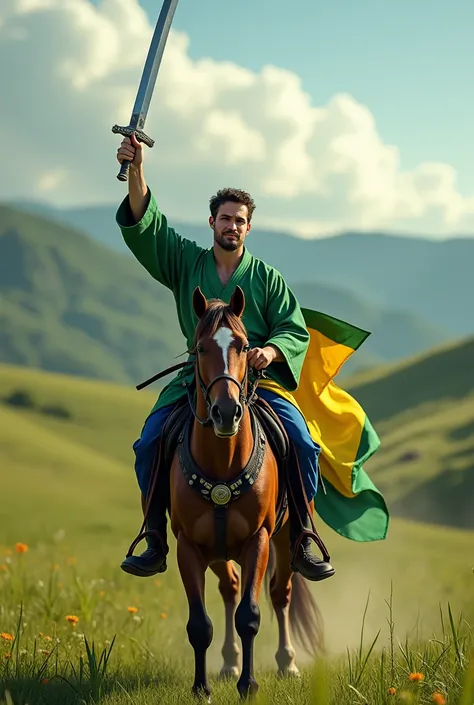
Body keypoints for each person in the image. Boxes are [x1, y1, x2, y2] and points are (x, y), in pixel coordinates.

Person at [115, 134, 334, 583]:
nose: (231, 226)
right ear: (211, 222)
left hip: (258, 382)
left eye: (239, 220)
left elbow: (293, 328)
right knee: (149, 443)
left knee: (303, 445)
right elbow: (148, 226)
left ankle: (301, 537)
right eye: (225, 218)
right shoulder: (183, 263)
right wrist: (136, 170)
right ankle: (155, 536)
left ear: (248, 228)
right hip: (197, 381)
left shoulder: (268, 280)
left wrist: (269, 350)